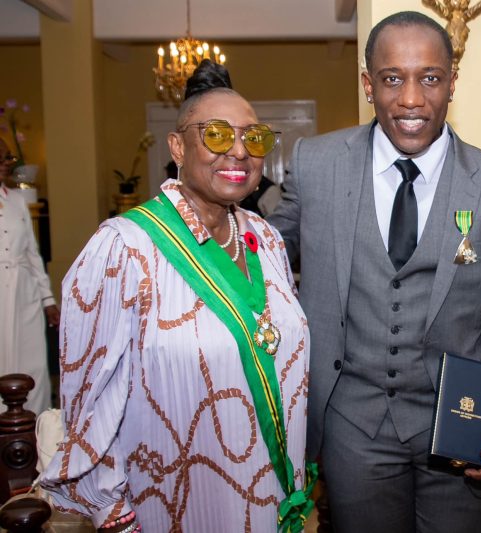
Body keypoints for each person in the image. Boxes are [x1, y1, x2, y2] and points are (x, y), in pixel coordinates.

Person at [268, 11, 481, 533]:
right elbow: (262, 259)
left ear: (452, 83)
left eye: (430, 78)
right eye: (392, 79)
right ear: (369, 85)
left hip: (459, 421)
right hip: (351, 425)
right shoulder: (317, 164)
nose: (411, 99)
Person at [41, 60, 315, 532]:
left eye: (252, 139)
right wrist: (114, 514)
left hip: (272, 494)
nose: (238, 152)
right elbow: (89, 403)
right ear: (177, 147)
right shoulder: (125, 248)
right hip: (177, 502)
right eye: (216, 136)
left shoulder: (266, 239)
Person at [0, 137, 58, 415]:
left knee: (31, 359)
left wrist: (48, 300)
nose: (5, 164)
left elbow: (33, 254)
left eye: (7, 158)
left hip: (25, 293)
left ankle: (34, 422)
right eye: (1, 158)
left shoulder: (16, 201)